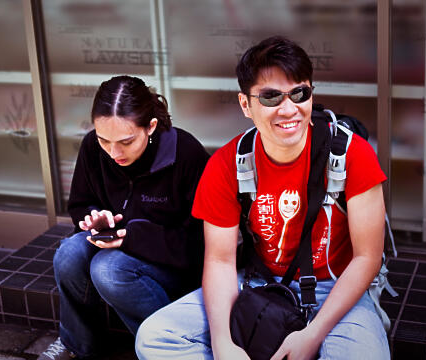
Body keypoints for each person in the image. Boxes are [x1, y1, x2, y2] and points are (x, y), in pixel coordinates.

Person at [135, 36, 390, 360]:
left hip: (335, 287)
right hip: (259, 284)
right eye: (271, 97)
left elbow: (367, 257)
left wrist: (312, 335)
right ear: (246, 104)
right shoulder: (227, 164)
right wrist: (223, 344)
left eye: (300, 93)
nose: (289, 109)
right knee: (155, 338)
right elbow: (220, 260)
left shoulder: (352, 154)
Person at [39, 75, 210, 360]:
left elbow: (199, 245)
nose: (114, 152)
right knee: (69, 253)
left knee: (108, 270)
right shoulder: (94, 147)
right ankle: (77, 346)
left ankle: (167, 348)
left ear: (151, 126)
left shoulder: (186, 155)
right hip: (120, 246)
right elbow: (80, 203)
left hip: (175, 266)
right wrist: (95, 217)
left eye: (126, 141)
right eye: (104, 140)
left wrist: (133, 237)